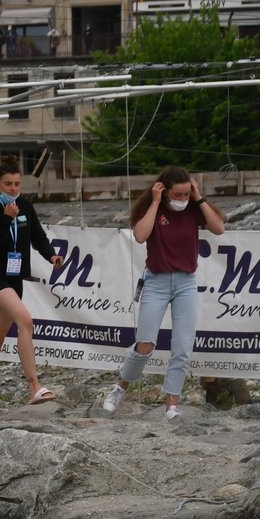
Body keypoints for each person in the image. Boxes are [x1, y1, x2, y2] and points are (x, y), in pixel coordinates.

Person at [102, 166, 227, 421]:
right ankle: (120, 387)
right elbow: (139, 236)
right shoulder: (155, 209)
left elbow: (218, 228)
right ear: (165, 191)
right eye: (177, 195)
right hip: (157, 281)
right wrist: (156, 201)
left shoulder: (194, 208)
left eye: (185, 194)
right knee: (145, 344)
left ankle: (172, 402)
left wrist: (199, 197)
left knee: (182, 346)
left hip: (186, 283)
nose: (182, 199)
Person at [0, 159, 63, 405]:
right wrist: (5, 219)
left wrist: (51, 255)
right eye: (8, 184)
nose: (13, 189)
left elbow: (38, 236)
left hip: (15, 279)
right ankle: (34, 386)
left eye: (16, 184)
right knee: (25, 320)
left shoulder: (24, 205)